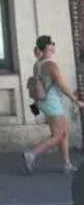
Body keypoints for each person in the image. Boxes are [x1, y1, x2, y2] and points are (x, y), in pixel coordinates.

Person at [23, 35, 84, 175]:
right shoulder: (51, 65)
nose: (54, 45)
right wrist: (75, 100)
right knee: (58, 135)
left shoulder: (37, 64)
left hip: (43, 102)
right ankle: (31, 154)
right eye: (52, 43)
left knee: (63, 133)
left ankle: (67, 164)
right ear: (47, 47)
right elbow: (61, 85)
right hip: (52, 103)